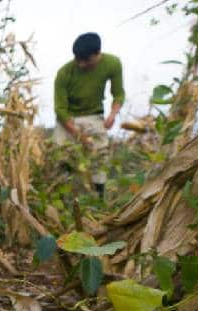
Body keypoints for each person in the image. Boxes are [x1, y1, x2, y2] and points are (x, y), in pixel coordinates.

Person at [53, 32, 125, 196]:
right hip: (68, 119)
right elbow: (60, 110)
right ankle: (60, 196)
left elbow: (119, 93)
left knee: (100, 157)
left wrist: (112, 115)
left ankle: (98, 198)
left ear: (98, 54)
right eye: (78, 59)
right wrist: (80, 137)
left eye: (86, 60)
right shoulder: (64, 73)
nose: (81, 64)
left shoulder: (112, 64)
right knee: (60, 156)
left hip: (94, 116)